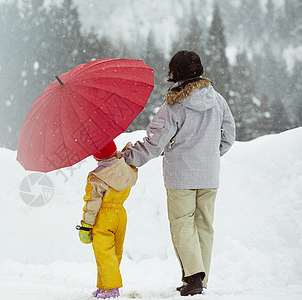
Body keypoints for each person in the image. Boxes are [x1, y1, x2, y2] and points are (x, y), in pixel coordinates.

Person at [121, 50, 236, 296]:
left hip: (180, 176)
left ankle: (193, 277)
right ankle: (199, 280)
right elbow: (230, 136)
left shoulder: (173, 106)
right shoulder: (218, 100)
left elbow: (154, 143)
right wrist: (211, 154)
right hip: (209, 175)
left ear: (176, 75)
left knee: (183, 224)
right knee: (204, 225)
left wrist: (128, 156)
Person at [76, 140, 138, 299]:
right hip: (120, 214)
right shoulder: (124, 169)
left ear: (96, 157)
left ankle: (111, 288)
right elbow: (133, 174)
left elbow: (92, 204)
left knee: (104, 254)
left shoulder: (97, 178)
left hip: (103, 218)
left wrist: (86, 226)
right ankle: (103, 286)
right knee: (115, 253)